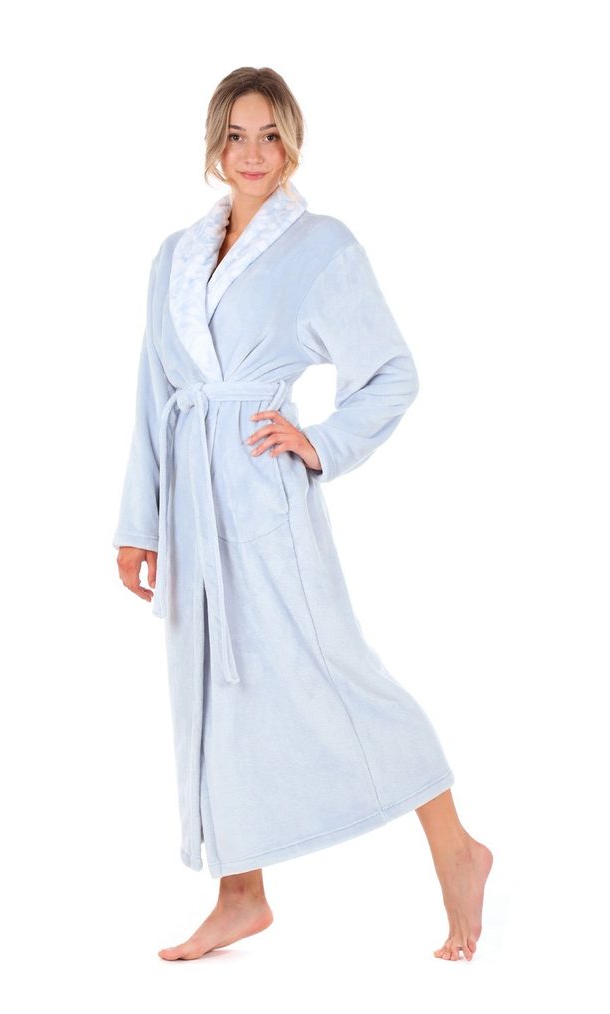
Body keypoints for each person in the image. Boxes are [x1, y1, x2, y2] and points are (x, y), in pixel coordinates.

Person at [113, 66, 493, 962]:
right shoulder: (174, 256)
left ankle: (455, 848)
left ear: (292, 143)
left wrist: (318, 442)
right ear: (215, 144)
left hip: (263, 499)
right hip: (191, 509)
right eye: (237, 135)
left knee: (336, 672)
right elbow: (154, 394)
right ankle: (240, 893)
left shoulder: (321, 246)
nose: (253, 154)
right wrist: (139, 522)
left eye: (270, 135)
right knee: (214, 688)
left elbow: (390, 372)